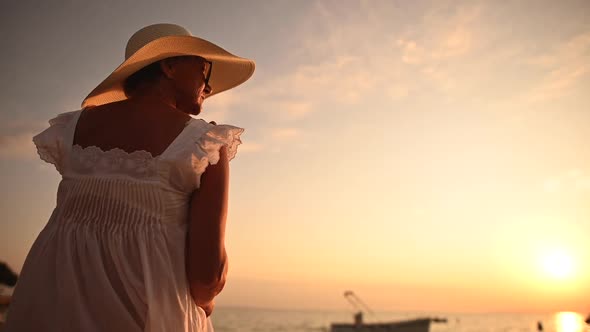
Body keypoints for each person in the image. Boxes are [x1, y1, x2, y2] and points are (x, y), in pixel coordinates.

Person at [3, 23, 255, 332]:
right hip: (147, 313)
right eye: (204, 71)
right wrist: (206, 304)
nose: (209, 86)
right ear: (170, 65)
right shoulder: (203, 145)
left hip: (49, 305)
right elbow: (206, 279)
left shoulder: (71, 129)